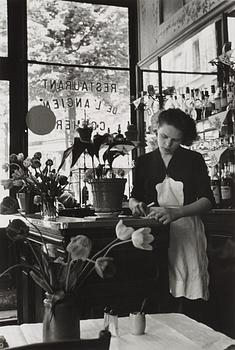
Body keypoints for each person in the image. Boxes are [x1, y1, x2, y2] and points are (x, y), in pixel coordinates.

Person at [129, 108, 215, 321]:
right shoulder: (144, 162)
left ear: (183, 140)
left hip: (187, 232)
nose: (167, 144)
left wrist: (177, 213)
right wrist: (136, 205)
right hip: (154, 234)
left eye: (175, 140)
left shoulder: (193, 160)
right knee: (158, 293)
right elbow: (133, 197)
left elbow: (207, 200)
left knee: (189, 298)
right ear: (156, 130)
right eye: (163, 137)